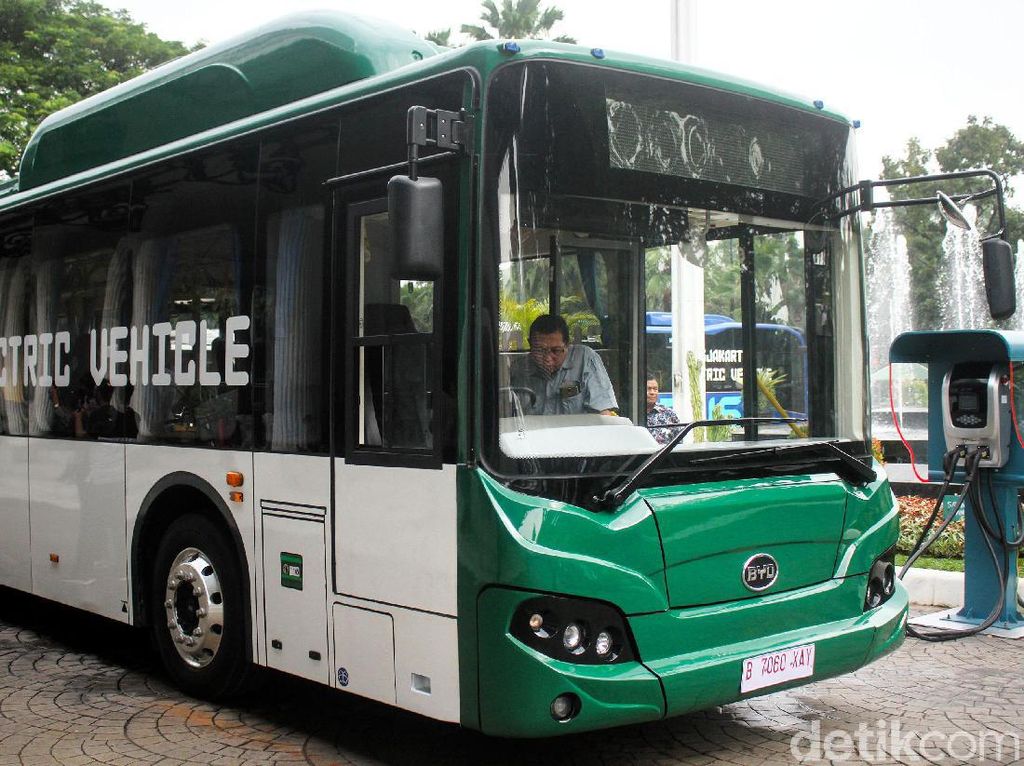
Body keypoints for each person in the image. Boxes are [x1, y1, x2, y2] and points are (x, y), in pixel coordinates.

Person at [509, 314, 618, 416]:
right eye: (540, 351)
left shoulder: (585, 359)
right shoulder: (519, 369)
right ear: (530, 345)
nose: (547, 359)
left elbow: (604, 412)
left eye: (555, 351)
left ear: (567, 345)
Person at [645, 374, 680, 444]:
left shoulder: (669, 414)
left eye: (655, 389)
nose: (652, 392)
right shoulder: (633, 413)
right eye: (648, 389)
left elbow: (679, 441)